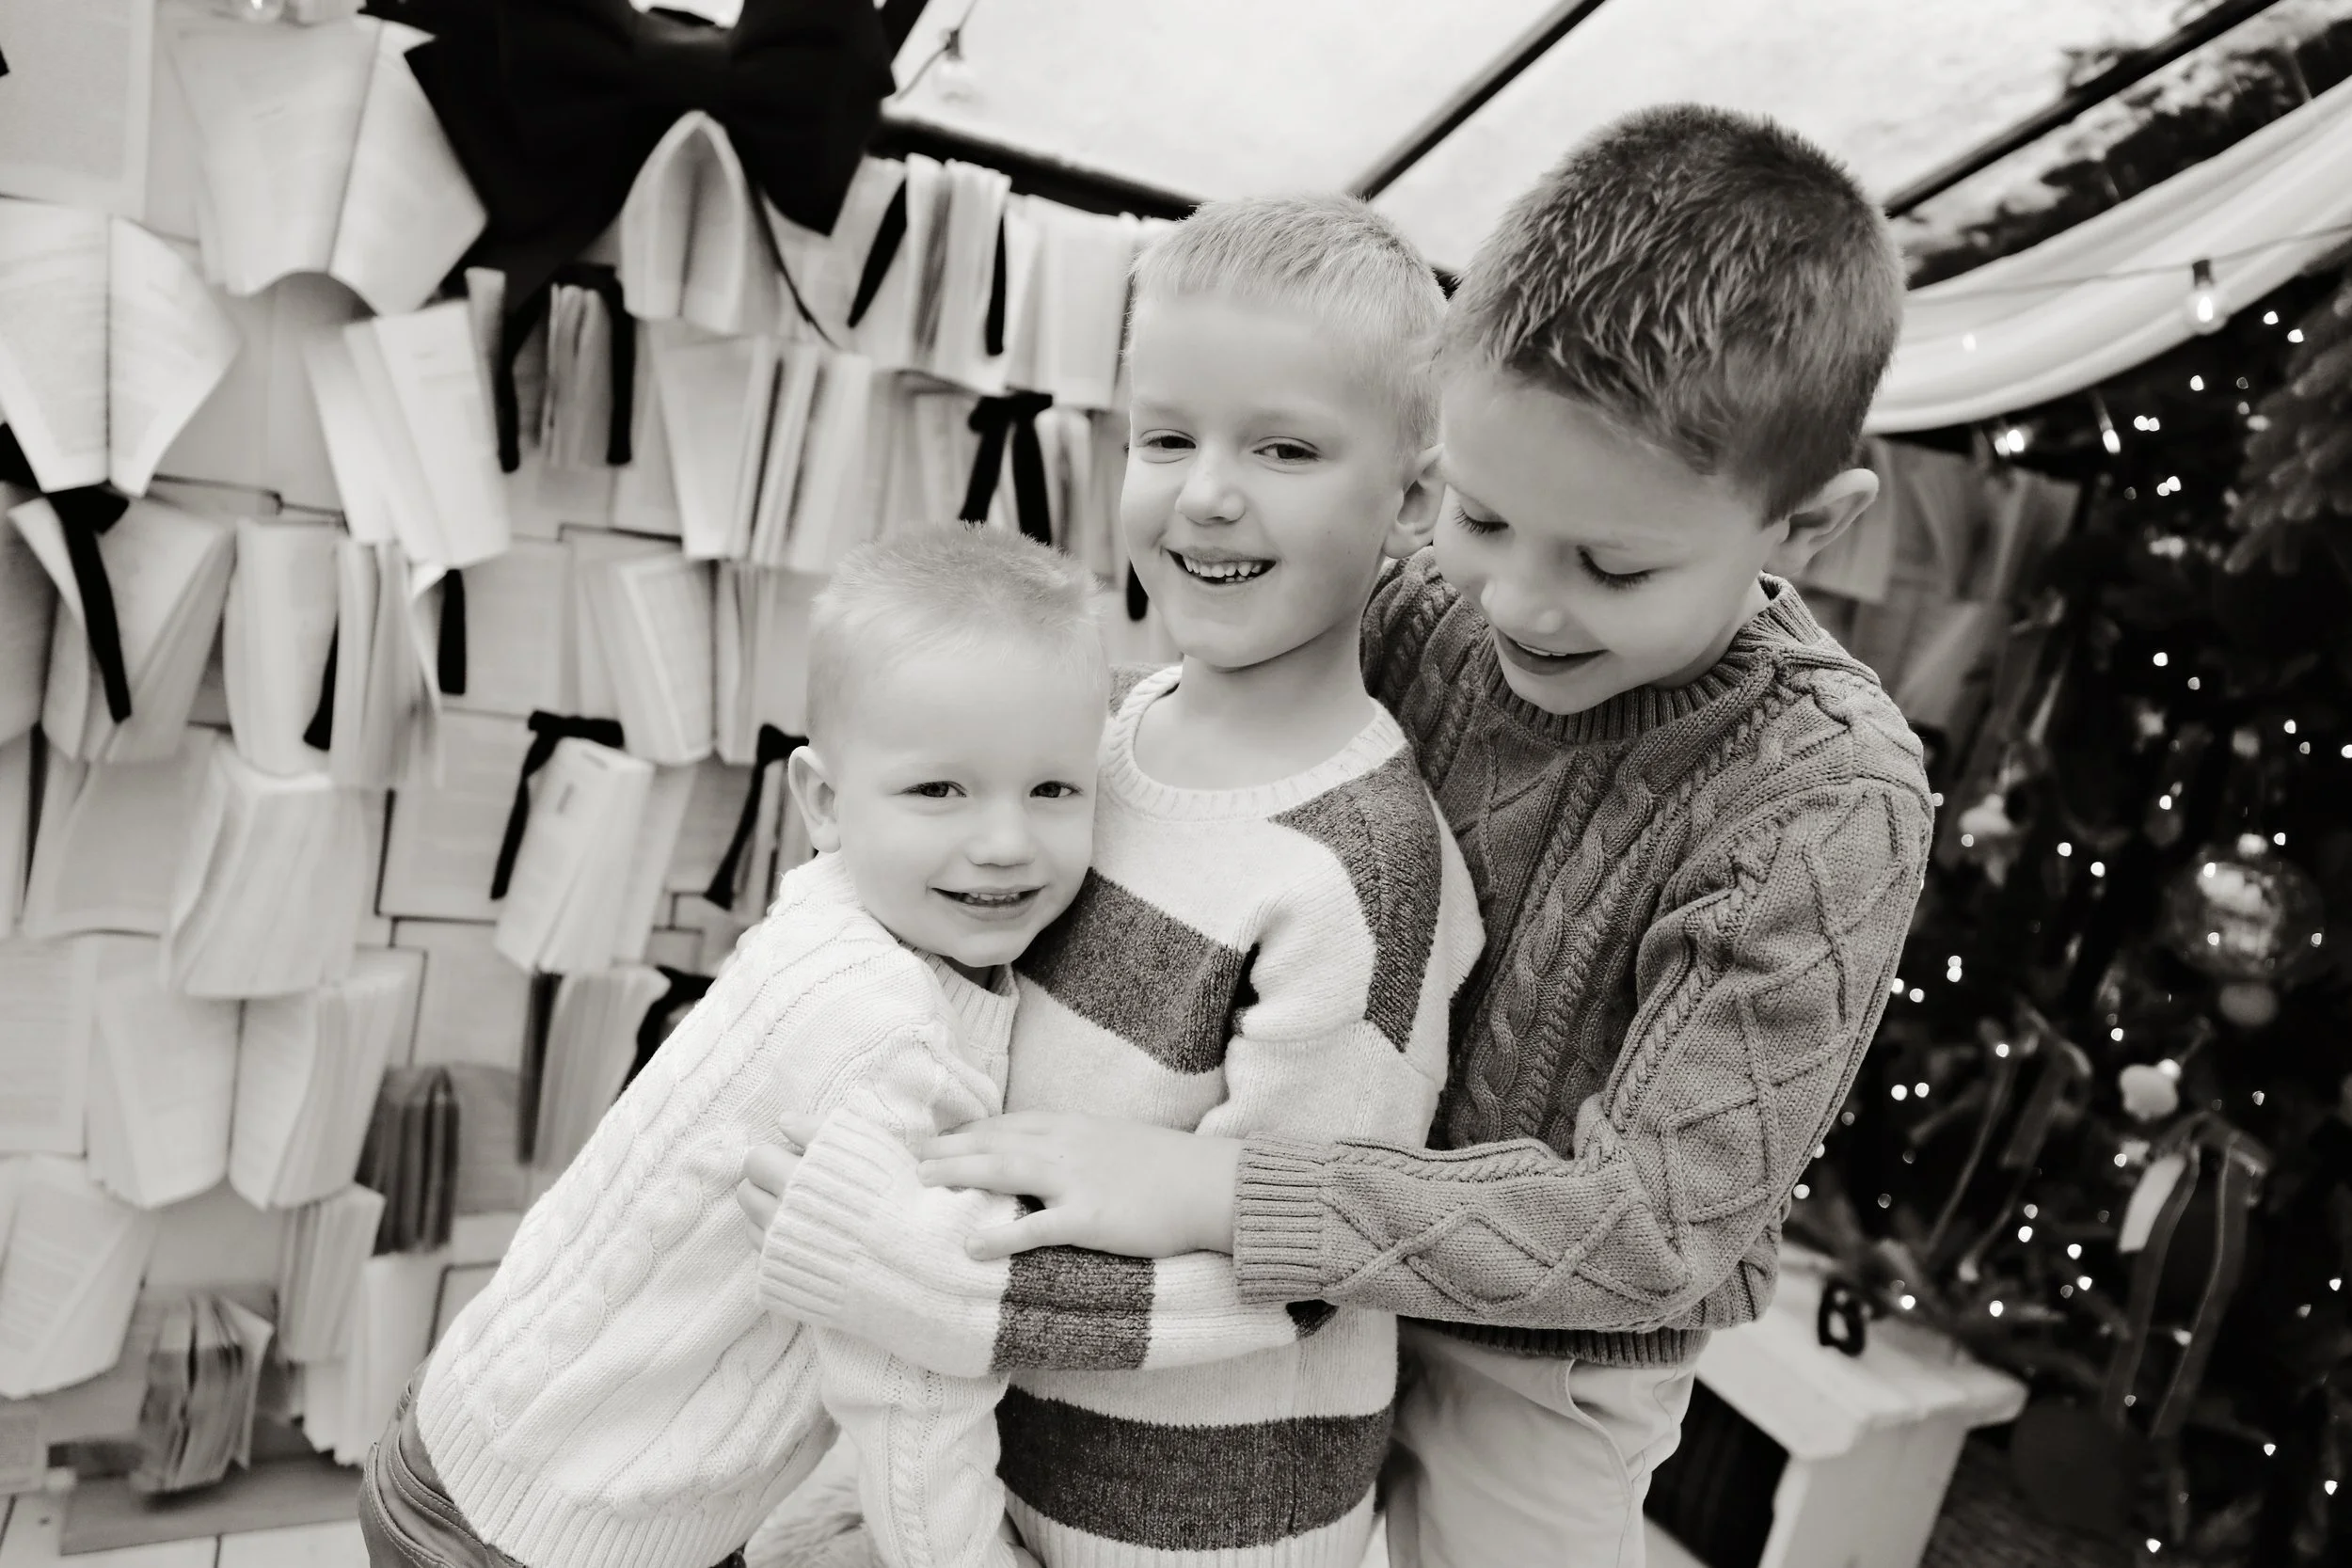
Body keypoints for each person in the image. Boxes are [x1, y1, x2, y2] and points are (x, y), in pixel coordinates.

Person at [755, 105, 1936, 1568]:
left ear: (1808, 528)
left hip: (1548, 1362)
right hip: (1285, 1275)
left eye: (1612, 564)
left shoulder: (1826, 797)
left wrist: (1226, 1191)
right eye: (1484, 519)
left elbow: (1656, 1226)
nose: (1520, 604)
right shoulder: (1418, 604)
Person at [739, 194, 1484, 1567]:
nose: (1206, 488)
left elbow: (1311, 1261)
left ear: (1414, 499)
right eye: (1167, 436)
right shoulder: (1100, 734)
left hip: (1195, 1525)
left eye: (1285, 446)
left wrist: (936, 1290)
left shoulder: (1361, 869)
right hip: (998, 1449)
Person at [357, 529, 1111, 1568]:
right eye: (939, 789)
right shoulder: (881, 1033)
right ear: (822, 802)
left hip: (483, 1432)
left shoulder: (835, 913)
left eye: (1053, 790)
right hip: (550, 1532)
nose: (1004, 841)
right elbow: (907, 1381)